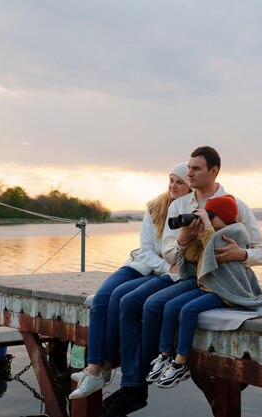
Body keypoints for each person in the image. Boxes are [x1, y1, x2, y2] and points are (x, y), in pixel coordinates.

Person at [103, 146, 262, 417]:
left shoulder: (235, 205)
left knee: (154, 305)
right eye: (188, 168)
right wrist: (182, 239)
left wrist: (242, 254)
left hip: (218, 280)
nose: (188, 173)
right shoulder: (180, 205)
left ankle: (140, 381)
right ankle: (135, 383)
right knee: (133, 302)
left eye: (195, 169)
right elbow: (168, 252)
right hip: (185, 276)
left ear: (214, 171)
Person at [68, 162, 191, 400]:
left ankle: (102, 367)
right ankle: (95, 368)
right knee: (101, 299)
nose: (173, 186)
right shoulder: (155, 207)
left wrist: (169, 270)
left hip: (161, 276)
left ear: (190, 186)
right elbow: (145, 251)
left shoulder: (190, 212)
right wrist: (168, 266)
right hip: (140, 266)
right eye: (171, 180)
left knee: (120, 299)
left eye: (180, 182)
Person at [146, 195, 262, 388]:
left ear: (225, 217)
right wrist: (189, 235)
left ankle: (180, 362)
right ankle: (164, 355)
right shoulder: (211, 231)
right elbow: (192, 257)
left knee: (188, 311)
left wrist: (206, 228)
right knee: (171, 306)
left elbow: (212, 251)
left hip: (226, 292)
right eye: (208, 215)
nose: (209, 219)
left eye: (212, 216)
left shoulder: (235, 233)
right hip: (208, 287)